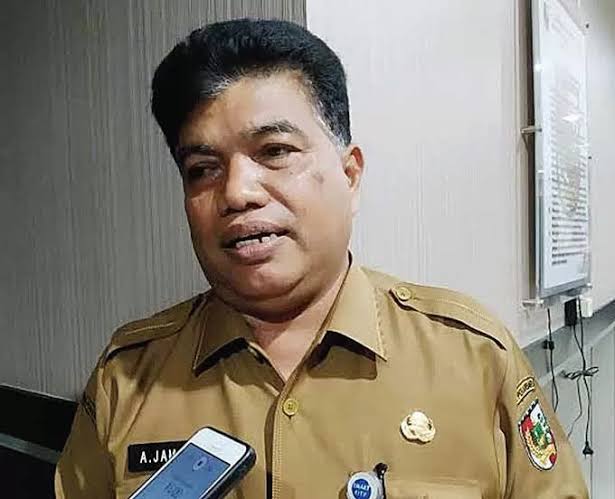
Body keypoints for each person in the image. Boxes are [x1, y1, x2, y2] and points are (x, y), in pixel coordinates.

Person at [55, 18, 588, 499]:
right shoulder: (127, 378)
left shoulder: (475, 359)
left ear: (349, 176)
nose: (237, 192)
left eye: (275, 152)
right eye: (202, 169)